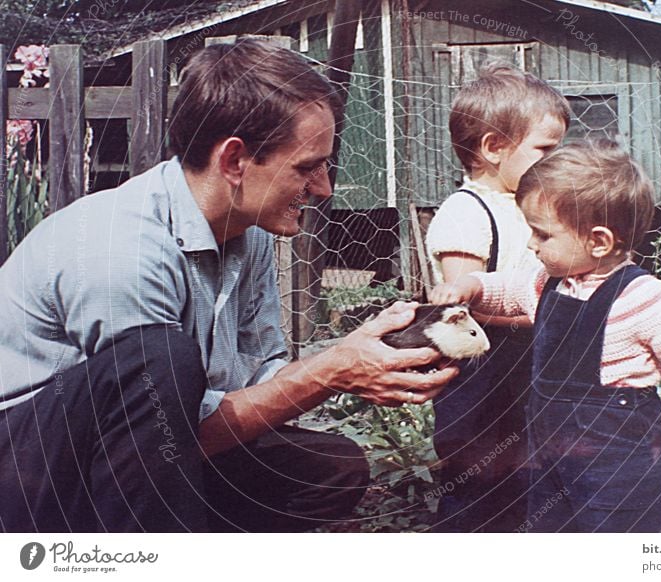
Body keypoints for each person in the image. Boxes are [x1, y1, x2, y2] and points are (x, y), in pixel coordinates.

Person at [0, 39, 458, 533]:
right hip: (27, 468)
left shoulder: (245, 232)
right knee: (159, 356)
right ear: (235, 160)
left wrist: (360, 356)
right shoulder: (121, 249)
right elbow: (161, 437)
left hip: (127, 459)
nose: (324, 188)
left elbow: (260, 386)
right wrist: (330, 373)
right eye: (307, 167)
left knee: (329, 468)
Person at [431, 140, 661, 533]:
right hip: (551, 460)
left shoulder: (642, 297)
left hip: (621, 468)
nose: (531, 245)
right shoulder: (548, 285)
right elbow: (507, 290)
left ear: (598, 241)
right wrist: (471, 286)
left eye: (542, 235)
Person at [424, 63, 570, 531]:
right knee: (477, 482)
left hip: (528, 368)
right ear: (492, 148)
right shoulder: (466, 212)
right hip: (482, 375)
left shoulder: (527, 205)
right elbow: (460, 315)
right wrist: (539, 315)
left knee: (531, 476)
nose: (556, 160)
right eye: (545, 149)